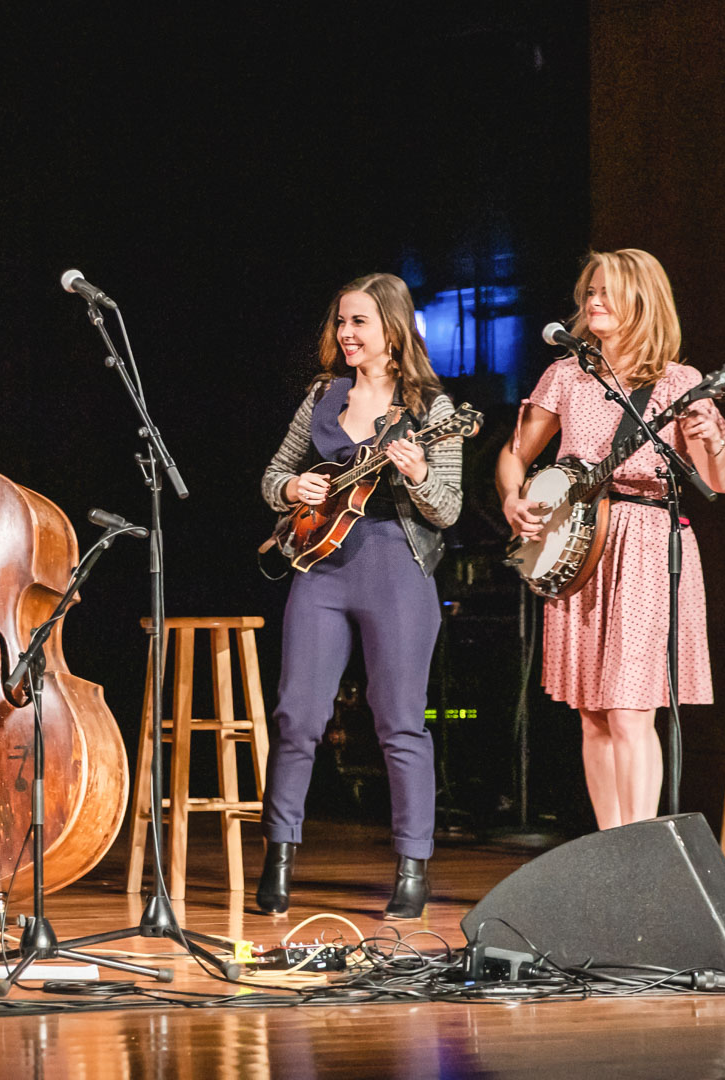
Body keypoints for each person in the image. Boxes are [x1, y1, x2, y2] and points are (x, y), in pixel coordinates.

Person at [496, 249, 725, 831]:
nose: (593, 301)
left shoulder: (680, 382)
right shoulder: (565, 375)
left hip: (648, 545)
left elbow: (721, 482)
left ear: (642, 300)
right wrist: (511, 499)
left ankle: (641, 849)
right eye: (590, 292)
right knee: (594, 713)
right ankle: (612, 848)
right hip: (580, 548)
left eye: (607, 291)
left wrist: (713, 438)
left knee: (631, 710)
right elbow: (514, 455)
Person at [256, 273, 463, 920]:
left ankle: (412, 866)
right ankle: (279, 855)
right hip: (321, 569)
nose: (345, 333)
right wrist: (294, 491)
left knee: (399, 720)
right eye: (341, 322)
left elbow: (449, 510)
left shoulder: (434, 410)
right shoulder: (323, 396)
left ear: (392, 329)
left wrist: (419, 473)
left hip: (396, 571)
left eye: (359, 322)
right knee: (297, 716)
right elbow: (273, 475)